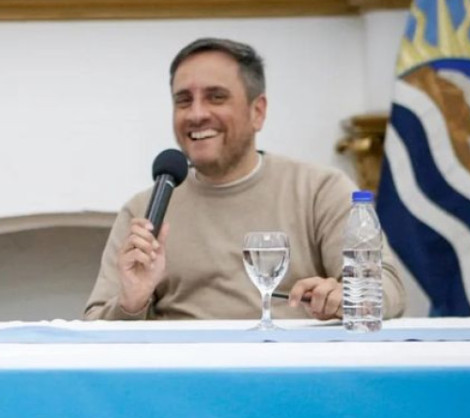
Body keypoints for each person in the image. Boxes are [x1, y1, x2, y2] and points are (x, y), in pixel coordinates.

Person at [84, 38, 405, 321]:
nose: (196, 114)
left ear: (258, 112)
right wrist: (131, 303)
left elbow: (387, 289)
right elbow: (95, 326)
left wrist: (343, 298)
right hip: (182, 379)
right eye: (184, 100)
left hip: (294, 374)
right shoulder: (144, 209)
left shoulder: (320, 189)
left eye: (216, 97)